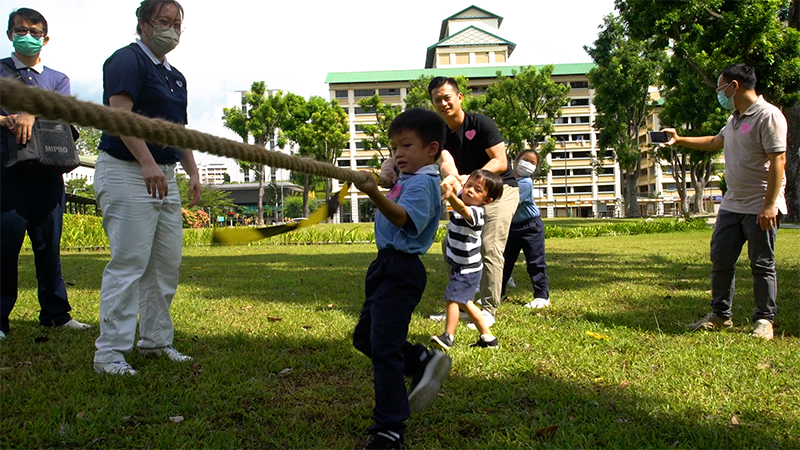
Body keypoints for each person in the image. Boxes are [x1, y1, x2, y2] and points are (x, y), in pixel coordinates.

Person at [93, 0, 201, 375]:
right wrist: (147, 162)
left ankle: (156, 341)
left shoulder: (176, 76)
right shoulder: (127, 61)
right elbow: (120, 115)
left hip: (165, 175)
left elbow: (178, 130)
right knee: (130, 262)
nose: (170, 29)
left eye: (177, 23)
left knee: (164, 266)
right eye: (163, 21)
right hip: (127, 171)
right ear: (143, 24)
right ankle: (110, 351)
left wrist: (192, 171)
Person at [663, 63, 787, 341]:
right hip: (732, 204)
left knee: (762, 264)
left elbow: (779, 159)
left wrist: (769, 205)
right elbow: (714, 142)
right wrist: (680, 139)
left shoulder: (769, 116)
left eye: (721, 88)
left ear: (734, 86)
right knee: (721, 260)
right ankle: (721, 315)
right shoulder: (735, 118)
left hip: (760, 204)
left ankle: (764, 320)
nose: (719, 93)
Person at [352, 108, 452, 450]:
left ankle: (389, 429)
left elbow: (401, 218)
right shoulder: (405, 177)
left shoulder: (425, 184)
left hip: (403, 269)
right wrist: (386, 172)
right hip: (383, 265)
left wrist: (374, 194)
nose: (398, 154)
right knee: (365, 338)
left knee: (384, 348)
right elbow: (391, 173)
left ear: (431, 149)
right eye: (394, 147)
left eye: (406, 146)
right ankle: (421, 360)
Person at [0, 7, 91, 340]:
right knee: (4, 245)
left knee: (49, 246)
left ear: (45, 38)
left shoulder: (57, 78)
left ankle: (56, 313)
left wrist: (28, 111)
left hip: (50, 171)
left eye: (35, 32)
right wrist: (6, 121)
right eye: (20, 30)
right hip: (8, 171)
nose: (28, 36)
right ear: (10, 34)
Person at [431, 170, 503, 350]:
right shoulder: (462, 198)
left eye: (478, 190)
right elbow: (454, 183)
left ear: (487, 201)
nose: (470, 191)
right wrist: (454, 181)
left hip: (468, 268)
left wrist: (450, 195)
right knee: (466, 304)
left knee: (452, 299)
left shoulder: (476, 213)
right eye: (469, 186)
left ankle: (448, 336)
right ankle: (488, 337)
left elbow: (460, 208)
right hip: (459, 265)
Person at [501, 150, 551, 308]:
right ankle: (497, 293)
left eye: (532, 163)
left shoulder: (526, 183)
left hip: (530, 227)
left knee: (535, 262)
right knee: (504, 263)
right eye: (525, 160)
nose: (527, 164)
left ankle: (542, 296)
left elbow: (506, 201)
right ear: (516, 161)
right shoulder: (508, 180)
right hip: (512, 227)